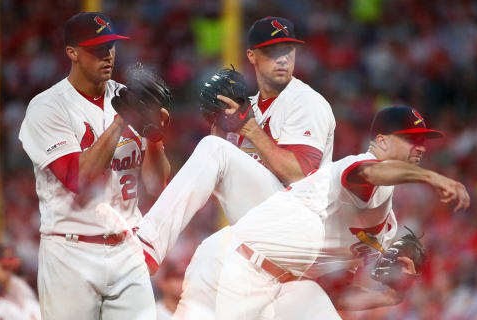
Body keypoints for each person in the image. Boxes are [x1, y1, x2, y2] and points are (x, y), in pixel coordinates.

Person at [173, 106, 470, 319]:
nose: (420, 147)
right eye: (410, 139)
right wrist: (434, 177)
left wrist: (389, 296)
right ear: (381, 141)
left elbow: (336, 294)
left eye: (422, 141)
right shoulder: (353, 168)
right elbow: (372, 173)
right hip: (235, 263)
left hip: (282, 287)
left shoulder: (385, 225)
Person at [137, 16, 335, 273]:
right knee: (203, 269)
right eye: (272, 51)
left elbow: (300, 176)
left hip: (298, 227)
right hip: (262, 233)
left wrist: (248, 130)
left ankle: (146, 246)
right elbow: (208, 179)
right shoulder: (243, 109)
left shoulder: (305, 101)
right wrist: (217, 129)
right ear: (251, 56)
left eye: (288, 50)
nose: (283, 58)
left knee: (213, 149)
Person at [18, 12, 170, 319]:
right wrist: (122, 120)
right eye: (96, 47)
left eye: (111, 45)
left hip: (127, 249)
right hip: (70, 252)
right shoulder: (48, 106)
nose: (108, 54)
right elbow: (77, 178)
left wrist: (154, 139)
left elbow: (157, 184)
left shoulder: (128, 96)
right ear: (72, 53)